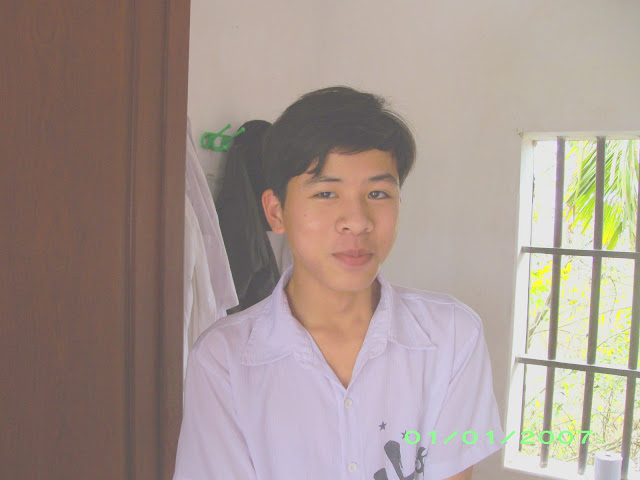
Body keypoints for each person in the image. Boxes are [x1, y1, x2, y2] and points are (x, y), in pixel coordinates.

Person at [173, 86, 505, 480]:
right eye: (327, 193)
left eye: (377, 193)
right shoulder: (224, 359)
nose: (357, 221)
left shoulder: (451, 336)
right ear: (276, 212)